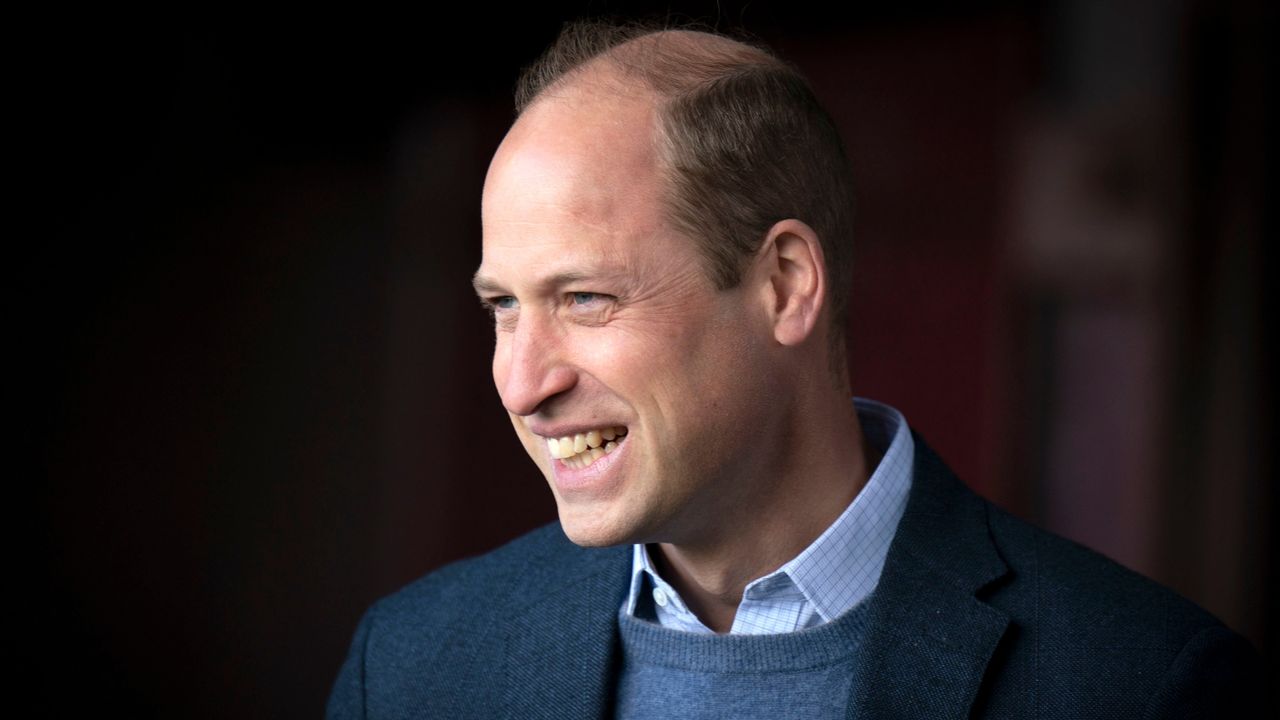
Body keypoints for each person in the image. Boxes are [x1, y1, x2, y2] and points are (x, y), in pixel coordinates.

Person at [328, 22, 1262, 718]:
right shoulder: (408, 668)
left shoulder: (1142, 686)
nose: (524, 385)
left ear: (783, 285)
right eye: (503, 307)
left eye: (585, 299)